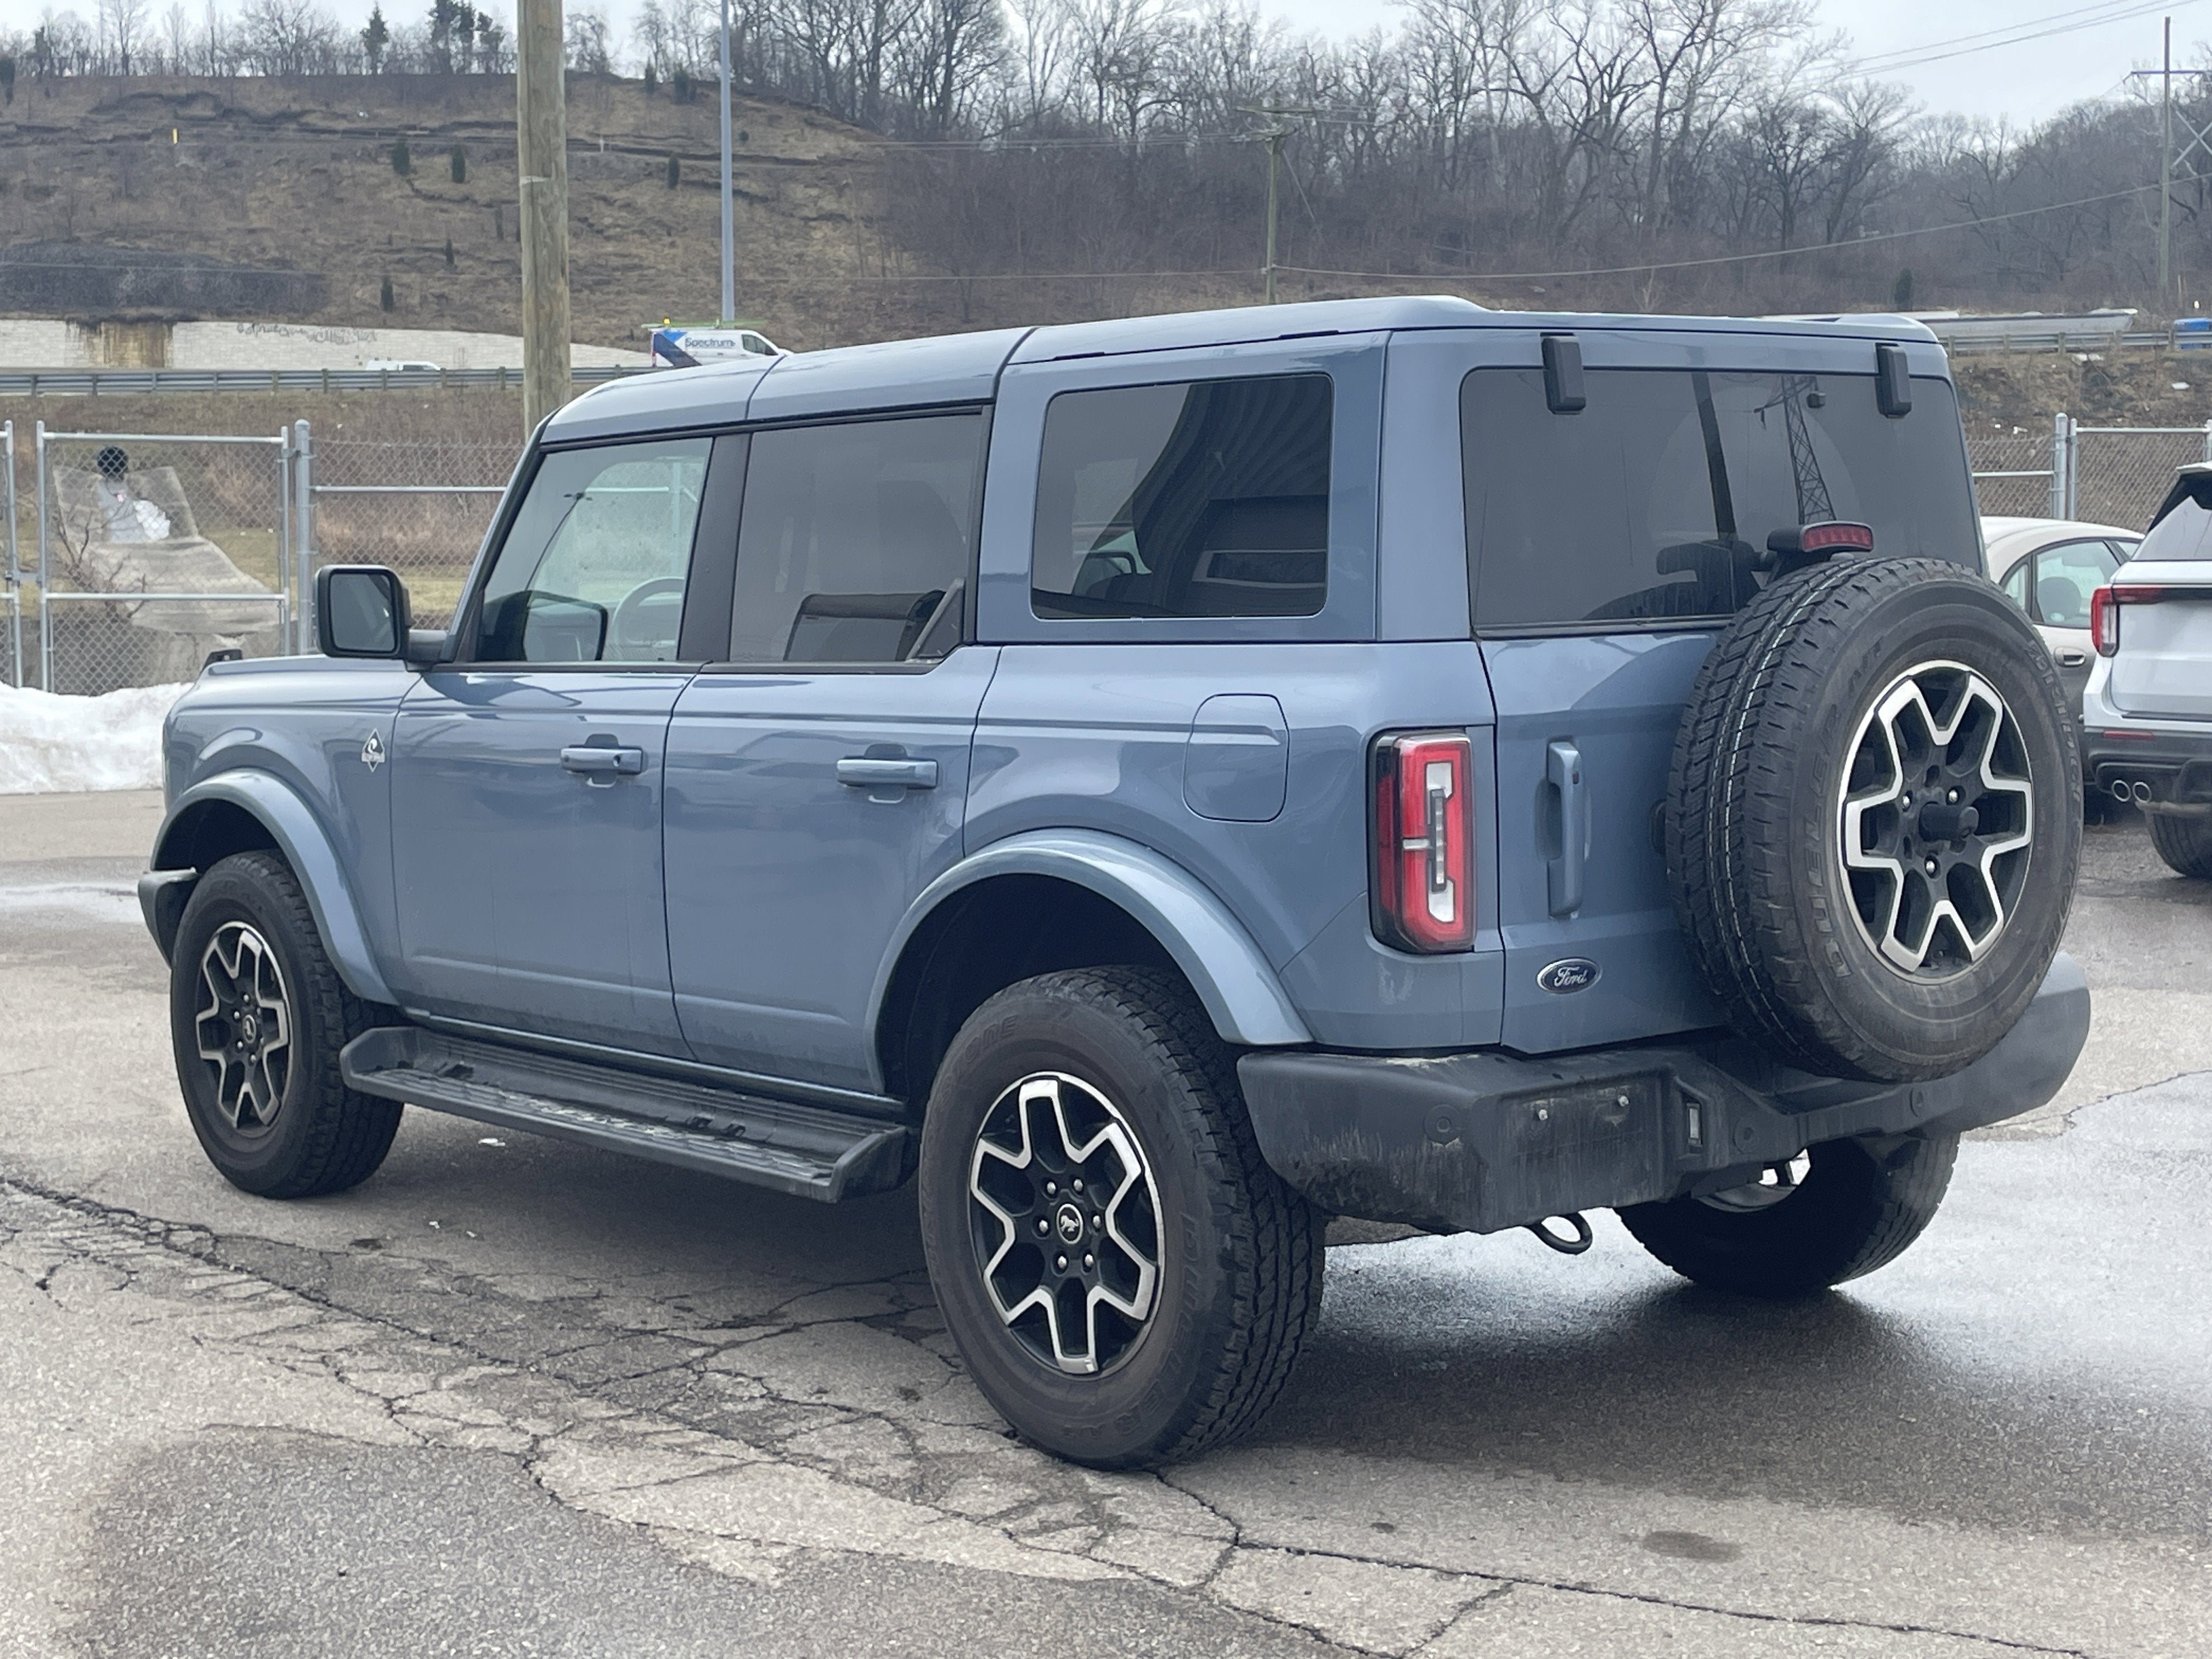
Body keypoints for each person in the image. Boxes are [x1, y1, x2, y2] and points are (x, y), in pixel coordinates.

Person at [91, 445, 172, 543]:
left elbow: (120, 499)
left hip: (118, 527)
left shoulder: (103, 485)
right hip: (127, 529)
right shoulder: (123, 484)